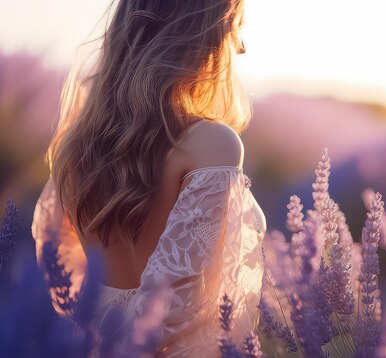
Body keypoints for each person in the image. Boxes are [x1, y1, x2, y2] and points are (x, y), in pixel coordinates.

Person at [30, 0, 266, 356]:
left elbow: (54, 258)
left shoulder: (73, 146)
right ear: (198, 35)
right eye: (234, 28)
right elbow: (173, 310)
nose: (241, 47)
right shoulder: (211, 144)